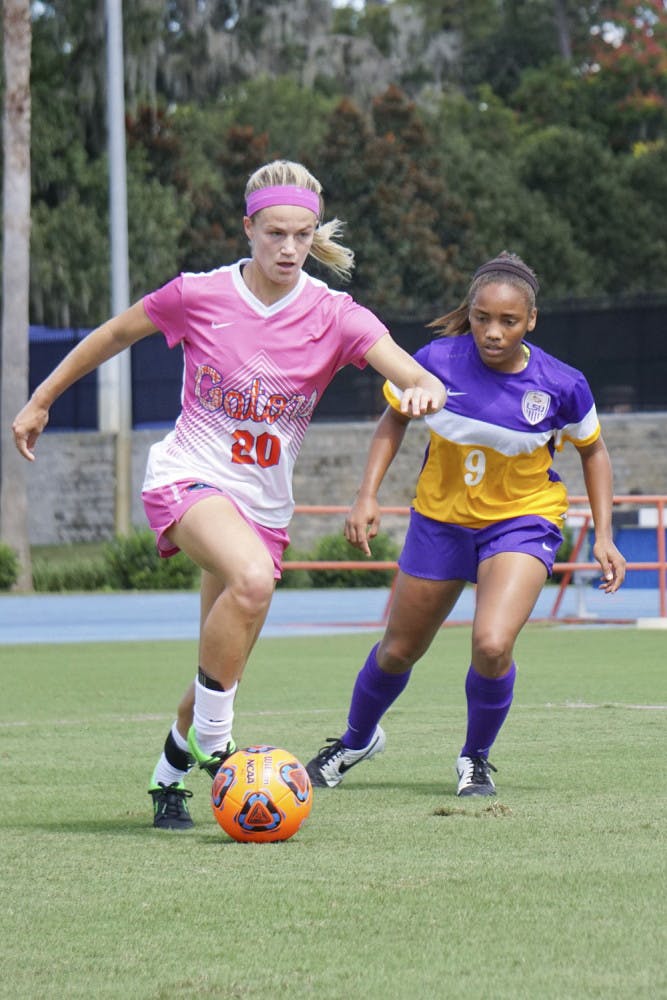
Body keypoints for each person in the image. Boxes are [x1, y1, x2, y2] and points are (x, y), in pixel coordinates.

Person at [12, 160, 446, 829]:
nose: (288, 248)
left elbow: (414, 373)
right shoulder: (199, 294)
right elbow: (111, 336)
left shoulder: (333, 315)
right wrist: (41, 399)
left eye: (302, 235)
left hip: (264, 509)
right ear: (247, 227)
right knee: (249, 583)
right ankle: (217, 746)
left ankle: (166, 780)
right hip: (187, 477)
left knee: (218, 667)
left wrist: (421, 390)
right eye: (274, 232)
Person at [305, 251, 626, 798]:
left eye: (507, 321)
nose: (492, 331)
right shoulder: (435, 362)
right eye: (482, 318)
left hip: (522, 522)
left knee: (493, 644)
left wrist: (604, 535)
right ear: (469, 313)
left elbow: (593, 453)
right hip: (440, 522)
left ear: (531, 321)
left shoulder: (562, 384)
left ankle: (475, 758)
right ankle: (356, 740)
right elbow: (395, 419)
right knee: (398, 650)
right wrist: (366, 495)